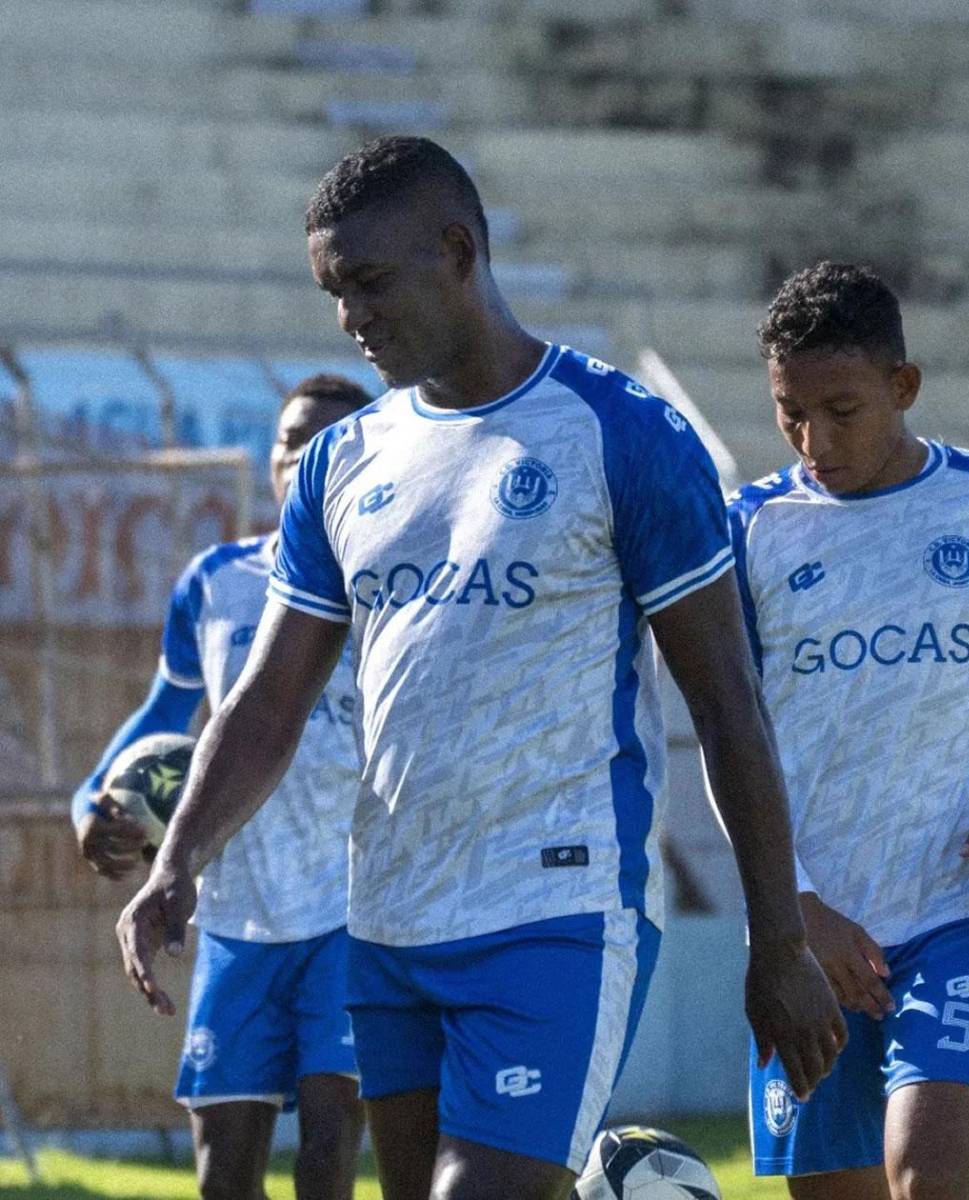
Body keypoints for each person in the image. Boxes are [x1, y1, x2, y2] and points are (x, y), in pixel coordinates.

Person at [115, 135, 846, 1200]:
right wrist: (178, 858)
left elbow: (728, 707)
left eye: (368, 282)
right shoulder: (343, 461)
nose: (349, 316)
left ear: (458, 252)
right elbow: (266, 703)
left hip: (552, 911)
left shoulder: (624, 435)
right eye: (332, 291)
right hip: (389, 918)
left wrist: (777, 937)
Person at [730, 261, 969, 1200]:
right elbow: (726, 744)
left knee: (925, 1180)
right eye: (790, 412)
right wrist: (797, 910)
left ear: (904, 388)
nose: (814, 438)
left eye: (842, 409)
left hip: (961, 912)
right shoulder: (747, 531)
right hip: (815, 927)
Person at [76, 374, 373, 1200]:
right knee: (223, 1172)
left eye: (325, 443)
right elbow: (160, 714)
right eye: (288, 444)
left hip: (352, 907)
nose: (301, 459)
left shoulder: (394, 585)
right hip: (236, 911)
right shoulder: (215, 580)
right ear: (269, 462)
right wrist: (91, 806)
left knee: (328, 1144)